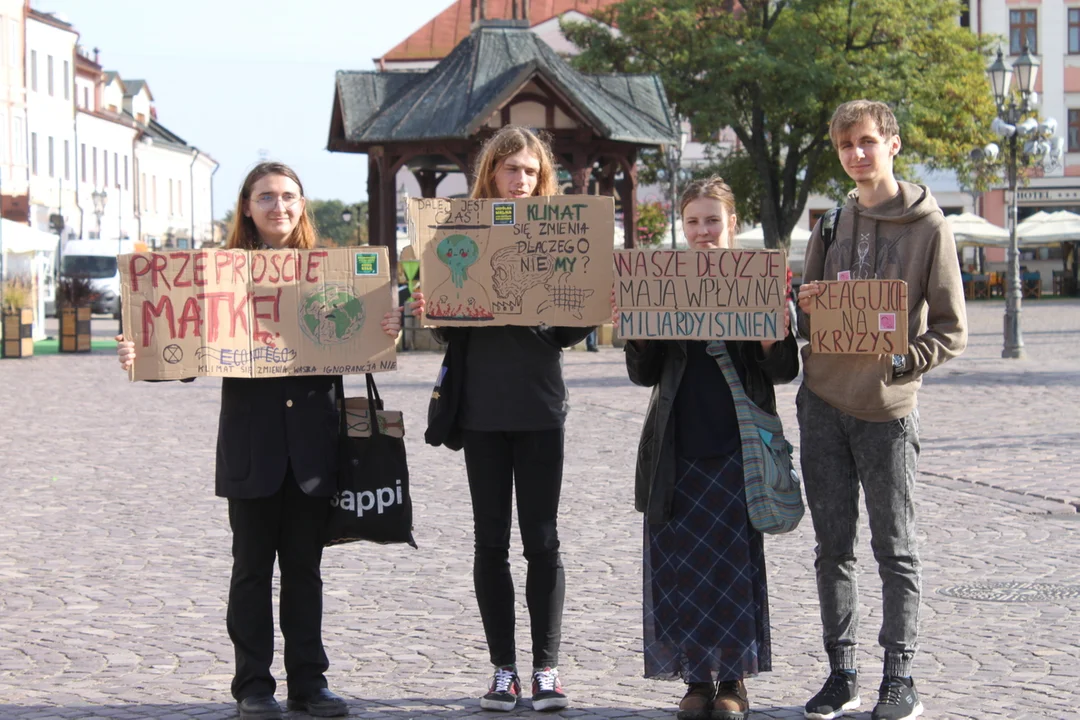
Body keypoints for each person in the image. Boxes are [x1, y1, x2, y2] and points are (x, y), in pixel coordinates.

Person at [116, 162, 402, 720]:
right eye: (265, 197)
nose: (279, 207)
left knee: (304, 570)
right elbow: (182, 349)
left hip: (314, 448)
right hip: (253, 448)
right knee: (250, 570)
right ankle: (252, 686)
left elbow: (365, 344)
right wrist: (141, 358)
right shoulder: (219, 276)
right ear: (246, 206)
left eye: (288, 197)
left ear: (303, 205)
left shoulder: (336, 272)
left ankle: (309, 684)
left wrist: (386, 325)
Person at [408, 126, 593, 713]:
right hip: (482, 410)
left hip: (539, 405)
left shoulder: (560, 234)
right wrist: (431, 304)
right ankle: (503, 670)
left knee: (542, 540)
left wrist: (584, 306)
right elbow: (447, 326)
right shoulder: (457, 231)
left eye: (530, 171)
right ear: (490, 174)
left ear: (543, 179)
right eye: (510, 169)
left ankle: (546, 669)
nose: (521, 179)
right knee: (489, 542)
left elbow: (567, 333)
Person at [796, 101, 967, 720]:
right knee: (831, 548)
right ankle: (842, 674)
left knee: (895, 547)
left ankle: (901, 676)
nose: (856, 154)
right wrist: (805, 303)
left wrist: (899, 365)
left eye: (867, 141)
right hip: (821, 404)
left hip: (887, 410)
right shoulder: (829, 224)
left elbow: (951, 330)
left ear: (892, 144)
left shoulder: (929, 227)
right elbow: (806, 319)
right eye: (845, 145)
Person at [617, 177, 799, 720]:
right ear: (682, 225)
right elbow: (642, 373)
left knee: (732, 570)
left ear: (732, 224)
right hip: (678, 446)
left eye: (712, 220)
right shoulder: (661, 280)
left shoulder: (757, 279)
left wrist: (773, 333)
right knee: (683, 569)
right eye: (694, 221)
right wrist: (637, 330)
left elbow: (784, 370)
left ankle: (734, 684)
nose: (703, 231)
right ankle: (696, 680)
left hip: (736, 448)